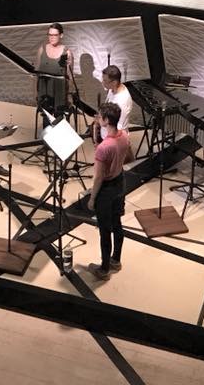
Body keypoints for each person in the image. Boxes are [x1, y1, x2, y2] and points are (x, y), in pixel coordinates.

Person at [86, 102, 131, 280]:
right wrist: (97, 128)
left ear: (106, 120)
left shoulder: (105, 148)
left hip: (105, 190)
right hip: (120, 183)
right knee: (117, 223)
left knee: (105, 231)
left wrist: (92, 198)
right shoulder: (124, 136)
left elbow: (98, 177)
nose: (98, 118)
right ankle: (115, 260)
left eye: (100, 116)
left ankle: (104, 269)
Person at [33, 22, 74, 117]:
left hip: (60, 94)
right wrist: (36, 95)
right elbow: (36, 74)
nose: (52, 37)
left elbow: (70, 77)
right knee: (46, 122)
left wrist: (68, 98)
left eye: (55, 35)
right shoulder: (42, 49)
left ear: (61, 35)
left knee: (59, 122)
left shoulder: (66, 52)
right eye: (50, 35)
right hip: (45, 93)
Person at [91, 65, 132, 143]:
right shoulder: (113, 88)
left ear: (114, 82)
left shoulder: (122, 101)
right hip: (106, 136)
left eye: (105, 81)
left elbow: (118, 128)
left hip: (114, 141)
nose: (102, 82)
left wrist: (100, 122)